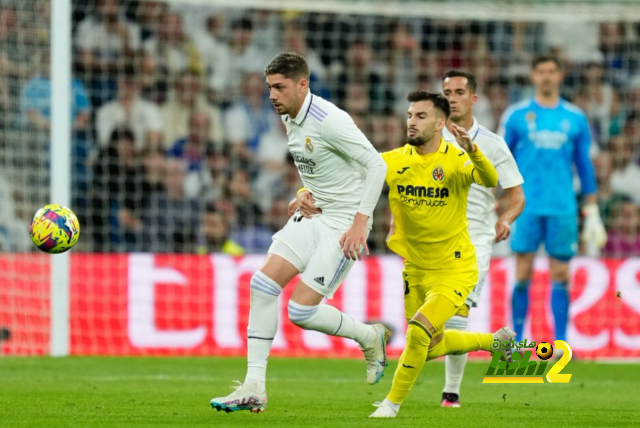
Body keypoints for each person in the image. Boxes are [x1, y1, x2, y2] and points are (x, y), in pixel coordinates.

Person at [297, 91, 516, 418]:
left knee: (417, 331)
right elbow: (346, 178)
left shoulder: (455, 160)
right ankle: (494, 342)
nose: (412, 121)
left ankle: (391, 404)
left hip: (455, 268)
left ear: (441, 123)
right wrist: (304, 191)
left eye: (421, 116)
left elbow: (490, 179)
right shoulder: (393, 160)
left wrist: (473, 151)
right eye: (410, 115)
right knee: (429, 346)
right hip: (415, 269)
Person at [210, 52, 389, 414]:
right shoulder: (291, 116)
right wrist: (303, 192)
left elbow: (376, 164)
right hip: (315, 214)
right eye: (269, 88)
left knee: (300, 312)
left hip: (343, 224)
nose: (272, 95)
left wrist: (360, 222)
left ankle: (370, 336)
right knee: (261, 286)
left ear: (302, 84)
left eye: (280, 87)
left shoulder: (330, 120)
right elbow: (321, 165)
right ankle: (254, 387)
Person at [499, 55, 607, 346]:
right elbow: (500, 159)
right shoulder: (516, 115)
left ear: (560, 77)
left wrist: (592, 207)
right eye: (541, 72)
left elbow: (584, 164)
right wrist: (496, 199)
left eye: (551, 72)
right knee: (522, 271)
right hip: (526, 206)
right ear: (533, 77)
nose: (546, 77)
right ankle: (518, 342)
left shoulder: (575, 117)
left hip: (562, 207)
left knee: (561, 273)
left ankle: (560, 343)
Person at [438, 69, 525, 408]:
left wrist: (505, 218)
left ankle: (451, 393)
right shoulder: (428, 137)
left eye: (459, 91)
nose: (452, 97)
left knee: (457, 313)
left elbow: (517, 196)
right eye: (447, 91)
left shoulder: (492, 143)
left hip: (474, 236)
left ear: (473, 98)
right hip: (432, 238)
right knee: (426, 323)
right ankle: (493, 342)